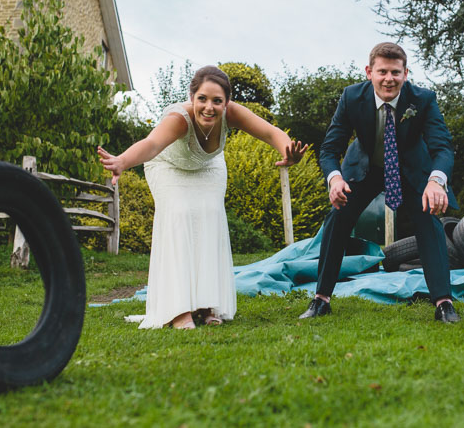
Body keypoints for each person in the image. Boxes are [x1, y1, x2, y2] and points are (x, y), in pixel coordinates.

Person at [98, 65, 307, 330]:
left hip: (208, 167)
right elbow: (151, 145)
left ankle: (207, 304)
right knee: (180, 216)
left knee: (210, 217)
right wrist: (123, 161)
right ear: (192, 97)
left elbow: (270, 132)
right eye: (202, 99)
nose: (209, 107)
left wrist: (287, 150)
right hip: (168, 166)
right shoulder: (178, 119)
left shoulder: (232, 114)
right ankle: (179, 310)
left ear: (226, 102)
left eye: (217, 101)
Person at [299, 42, 461, 323]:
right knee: (337, 218)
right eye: (382, 71)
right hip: (365, 168)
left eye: (396, 72)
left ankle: (443, 303)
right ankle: (321, 299)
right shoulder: (351, 97)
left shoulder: (423, 99)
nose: (389, 79)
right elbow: (329, 149)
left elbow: (442, 147)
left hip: (410, 169)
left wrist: (436, 181)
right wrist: (334, 179)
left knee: (429, 220)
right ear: (369, 72)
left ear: (406, 73)